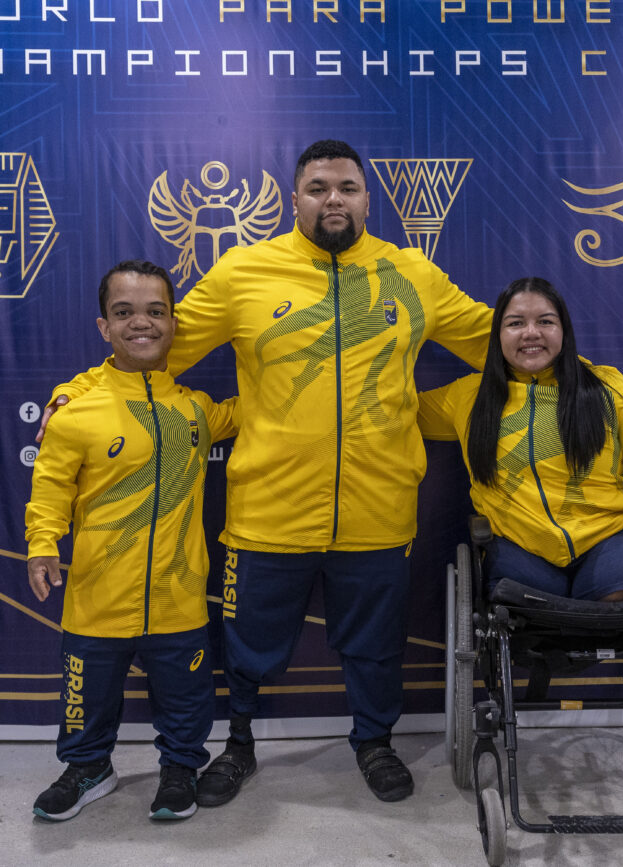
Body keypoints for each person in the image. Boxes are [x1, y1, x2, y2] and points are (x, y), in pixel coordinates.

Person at [38, 141, 493, 805]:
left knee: (375, 645)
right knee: (247, 644)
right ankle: (239, 743)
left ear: (368, 200)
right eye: (318, 187)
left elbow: (497, 340)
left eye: (347, 188)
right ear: (293, 199)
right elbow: (153, 348)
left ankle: (374, 741)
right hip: (267, 512)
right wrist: (75, 392)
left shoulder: (413, 274)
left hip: (379, 508)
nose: (333, 199)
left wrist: (579, 376)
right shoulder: (244, 272)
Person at [26, 260, 239, 822]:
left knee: (186, 699)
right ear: (104, 326)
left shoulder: (196, 409)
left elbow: (261, 408)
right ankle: (87, 768)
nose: (140, 323)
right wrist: (42, 544)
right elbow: (50, 488)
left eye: (155, 311)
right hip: (96, 598)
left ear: (173, 324)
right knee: (86, 699)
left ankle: (180, 769)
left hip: (178, 597)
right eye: (123, 312)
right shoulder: (75, 411)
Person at [417, 277, 623, 622]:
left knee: (622, 597)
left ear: (564, 331)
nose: (531, 333)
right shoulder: (466, 397)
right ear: (498, 335)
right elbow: (397, 412)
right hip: (520, 550)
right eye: (515, 323)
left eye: (545, 321)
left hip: (609, 543)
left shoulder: (609, 389)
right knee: (523, 607)